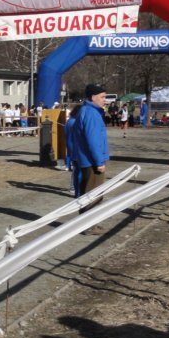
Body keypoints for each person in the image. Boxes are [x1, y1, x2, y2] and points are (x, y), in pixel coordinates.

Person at [73, 84, 110, 233]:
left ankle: (89, 223)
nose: (104, 100)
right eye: (102, 97)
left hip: (87, 159)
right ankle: (89, 226)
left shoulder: (86, 111)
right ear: (93, 97)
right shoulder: (91, 113)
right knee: (94, 194)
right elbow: (93, 140)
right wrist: (99, 161)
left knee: (88, 192)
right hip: (92, 161)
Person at [65, 104, 83, 197]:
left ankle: (76, 191)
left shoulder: (69, 122)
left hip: (71, 148)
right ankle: (78, 191)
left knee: (76, 171)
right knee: (79, 172)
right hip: (77, 149)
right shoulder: (75, 122)